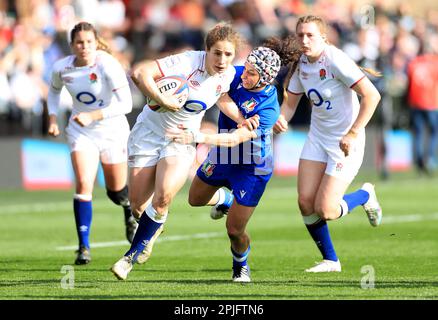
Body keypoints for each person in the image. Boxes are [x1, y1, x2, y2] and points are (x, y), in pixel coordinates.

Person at [110, 22, 253, 280]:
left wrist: (242, 119)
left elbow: (222, 98)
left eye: (228, 54)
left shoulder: (229, 74)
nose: (222, 60)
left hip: (181, 139)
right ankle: (221, 200)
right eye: (217, 53)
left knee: (163, 197)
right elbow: (139, 72)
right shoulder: (186, 62)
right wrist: (163, 100)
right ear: (206, 50)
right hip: (147, 134)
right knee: (138, 209)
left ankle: (128, 259)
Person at [167, 40, 294, 282]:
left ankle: (240, 266)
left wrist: (197, 137)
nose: (244, 75)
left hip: (252, 167)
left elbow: (237, 139)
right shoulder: (235, 73)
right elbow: (220, 94)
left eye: (251, 73)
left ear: (265, 79)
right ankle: (226, 199)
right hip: (224, 156)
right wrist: (241, 117)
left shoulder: (268, 109)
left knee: (234, 230)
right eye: (245, 68)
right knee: (195, 199)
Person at [274, 15, 383, 273]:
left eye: (310, 35)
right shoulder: (302, 63)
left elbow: (372, 95)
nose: (304, 40)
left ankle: (366, 194)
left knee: (327, 210)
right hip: (318, 137)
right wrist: (280, 121)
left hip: (345, 141)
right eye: (300, 35)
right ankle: (331, 261)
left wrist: (354, 132)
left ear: (324, 37)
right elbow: (290, 104)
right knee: (304, 202)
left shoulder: (335, 59)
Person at [47, 22, 138, 265]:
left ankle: (128, 210)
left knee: (116, 192)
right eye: (79, 42)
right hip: (81, 131)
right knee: (84, 184)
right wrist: (53, 118)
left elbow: (126, 105)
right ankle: (83, 247)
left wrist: (93, 116)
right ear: (72, 45)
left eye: (88, 42)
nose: (84, 47)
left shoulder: (107, 64)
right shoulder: (62, 67)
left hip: (112, 130)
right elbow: (54, 91)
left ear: (96, 43)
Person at [407, 50, 438, 175]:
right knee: (434, 131)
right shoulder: (435, 63)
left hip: (415, 103)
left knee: (418, 133)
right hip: (431, 103)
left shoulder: (413, 63)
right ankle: (429, 158)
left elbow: (409, 83)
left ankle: (419, 161)